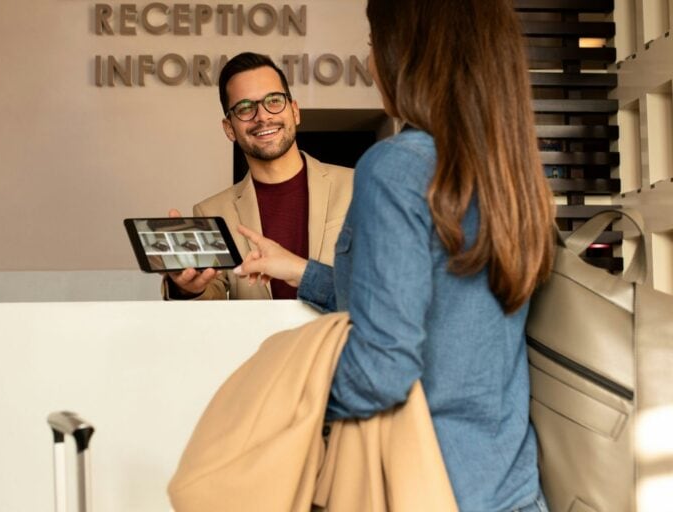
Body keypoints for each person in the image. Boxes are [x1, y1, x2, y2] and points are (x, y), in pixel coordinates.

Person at [232, 0, 555, 510]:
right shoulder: (508, 173)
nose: (369, 59)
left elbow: (381, 370)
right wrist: (298, 269)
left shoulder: (397, 167)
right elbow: (442, 302)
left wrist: (284, 402)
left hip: (423, 485)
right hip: (507, 485)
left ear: (409, 52)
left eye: (373, 42)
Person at [163, 52, 353, 301]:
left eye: (274, 101)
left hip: (338, 339)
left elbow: (386, 287)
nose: (262, 116)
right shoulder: (211, 211)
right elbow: (212, 298)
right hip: (258, 341)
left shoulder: (357, 185)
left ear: (294, 111)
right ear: (229, 128)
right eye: (244, 108)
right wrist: (189, 288)